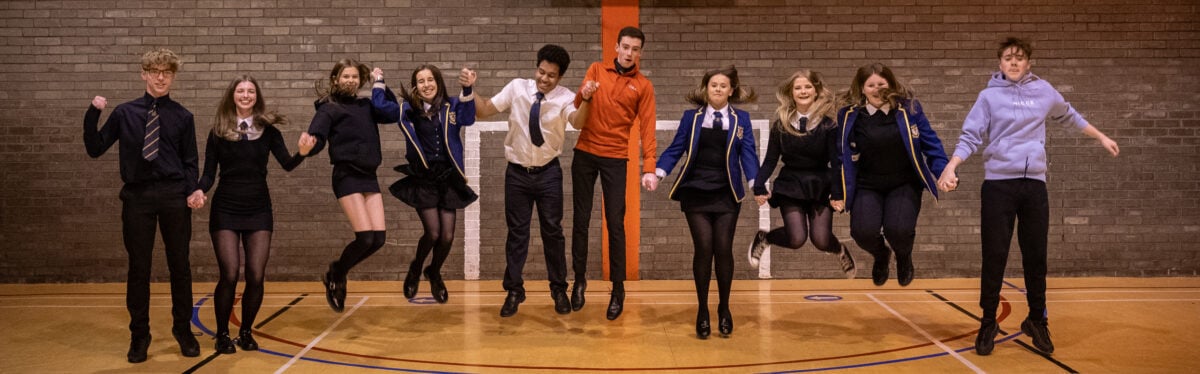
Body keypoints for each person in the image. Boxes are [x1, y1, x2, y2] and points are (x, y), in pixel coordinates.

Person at [936, 37, 1120, 356]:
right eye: (1008, 58)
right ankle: (988, 322)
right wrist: (951, 166)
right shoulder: (988, 97)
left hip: (1034, 186)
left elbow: (1070, 115)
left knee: (1036, 256)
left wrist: (1101, 136)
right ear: (1000, 63)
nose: (1014, 62)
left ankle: (1037, 320)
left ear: (1029, 63)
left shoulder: (1044, 91)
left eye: (1020, 58)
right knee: (994, 256)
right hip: (998, 186)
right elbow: (971, 135)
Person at [83, 48, 201, 363]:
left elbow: (191, 162)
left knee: (181, 266)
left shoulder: (183, 117)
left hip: (175, 197)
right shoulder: (124, 113)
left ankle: (183, 330)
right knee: (139, 268)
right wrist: (93, 113)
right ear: (144, 74)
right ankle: (140, 335)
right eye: (155, 71)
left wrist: (194, 191)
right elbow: (94, 148)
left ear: (173, 76)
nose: (161, 77)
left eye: (167, 72)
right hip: (137, 198)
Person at [188, 76, 314, 354]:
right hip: (226, 208)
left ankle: (245, 331)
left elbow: (288, 164)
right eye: (241, 91)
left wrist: (303, 152)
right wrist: (198, 190)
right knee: (230, 274)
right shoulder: (218, 131)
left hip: (258, 208)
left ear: (257, 97)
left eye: (251, 91)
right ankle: (222, 334)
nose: (246, 95)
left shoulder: (268, 131)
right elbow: (209, 172)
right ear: (232, 96)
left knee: (256, 275)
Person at [476, 45, 582, 317]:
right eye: (541, 72)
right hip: (517, 173)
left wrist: (589, 99)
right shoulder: (517, 88)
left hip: (548, 172)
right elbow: (485, 109)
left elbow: (579, 121)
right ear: (536, 68)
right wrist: (469, 90)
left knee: (553, 232)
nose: (544, 79)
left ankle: (558, 289)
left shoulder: (566, 97)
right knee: (517, 233)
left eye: (551, 75)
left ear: (560, 77)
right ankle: (514, 290)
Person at [653, 66, 758, 339]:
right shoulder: (692, 117)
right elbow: (676, 148)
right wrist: (658, 173)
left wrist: (756, 184)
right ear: (706, 89)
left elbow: (748, 155)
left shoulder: (741, 119)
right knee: (704, 248)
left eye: (724, 85)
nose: (718, 89)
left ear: (731, 90)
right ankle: (702, 310)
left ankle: (724, 308)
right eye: (713, 85)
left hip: (727, 193)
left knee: (723, 248)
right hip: (695, 191)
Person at [831, 63, 949, 287]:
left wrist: (944, 172)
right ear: (862, 88)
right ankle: (882, 254)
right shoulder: (849, 115)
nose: (877, 89)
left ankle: (904, 257)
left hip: (903, 183)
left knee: (899, 230)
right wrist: (837, 191)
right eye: (871, 85)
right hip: (867, 184)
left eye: (881, 84)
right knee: (862, 232)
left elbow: (931, 144)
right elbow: (840, 156)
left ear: (891, 84)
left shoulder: (909, 109)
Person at [571, 26, 657, 321]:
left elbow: (647, 128)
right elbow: (576, 106)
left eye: (635, 48)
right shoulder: (596, 69)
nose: (629, 52)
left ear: (639, 53)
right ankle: (579, 280)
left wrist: (649, 167)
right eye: (625, 47)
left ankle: (618, 289)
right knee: (580, 220)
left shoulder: (643, 86)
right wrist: (584, 93)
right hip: (584, 153)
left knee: (615, 224)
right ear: (616, 47)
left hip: (616, 158)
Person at [301, 59, 400, 313]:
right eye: (345, 76)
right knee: (365, 236)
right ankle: (338, 274)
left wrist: (380, 83)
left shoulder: (366, 105)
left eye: (355, 77)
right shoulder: (328, 108)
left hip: (369, 175)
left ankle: (336, 271)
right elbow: (318, 137)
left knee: (378, 239)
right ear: (335, 79)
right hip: (346, 175)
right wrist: (310, 145)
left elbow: (391, 113)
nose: (350, 80)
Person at [748, 70, 857, 278]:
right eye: (798, 88)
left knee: (821, 240)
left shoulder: (829, 125)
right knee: (797, 238)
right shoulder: (781, 124)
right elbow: (771, 159)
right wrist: (759, 186)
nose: (803, 91)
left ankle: (840, 250)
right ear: (791, 93)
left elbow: (836, 162)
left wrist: (837, 193)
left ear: (816, 91)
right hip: (791, 184)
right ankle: (765, 239)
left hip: (820, 184)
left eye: (807, 87)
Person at [387, 64, 477, 304]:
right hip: (424, 177)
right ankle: (416, 268)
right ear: (415, 86)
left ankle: (433, 271)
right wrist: (377, 83)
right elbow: (383, 108)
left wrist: (468, 88)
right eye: (421, 81)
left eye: (430, 80)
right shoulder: (409, 110)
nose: (426, 85)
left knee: (447, 236)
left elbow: (468, 119)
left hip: (448, 177)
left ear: (438, 82)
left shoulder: (452, 106)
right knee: (433, 232)